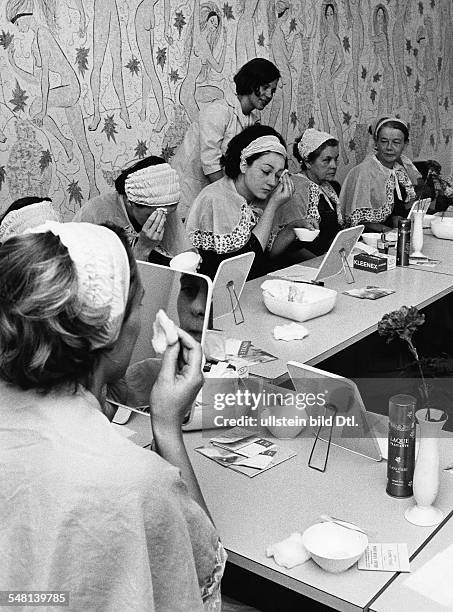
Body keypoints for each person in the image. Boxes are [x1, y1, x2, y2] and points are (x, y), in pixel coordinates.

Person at [0, 221, 225, 610]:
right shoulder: (135, 483)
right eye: (137, 304)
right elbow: (201, 568)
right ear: (108, 328)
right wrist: (166, 425)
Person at [172, 58, 281, 219]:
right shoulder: (218, 111)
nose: (269, 95)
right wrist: (233, 200)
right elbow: (210, 164)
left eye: (273, 91)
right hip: (189, 192)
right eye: (265, 87)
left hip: (215, 195)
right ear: (251, 83)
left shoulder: (252, 122)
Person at [185, 125, 295, 280]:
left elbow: (267, 253)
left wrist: (292, 228)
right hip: (214, 294)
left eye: (278, 176)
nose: (272, 182)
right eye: (266, 171)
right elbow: (246, 266)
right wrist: (272, 207)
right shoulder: (217, 198)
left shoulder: (255, 198)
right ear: (244, 164)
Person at [73, 156, 192, 264]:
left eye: (170, 213)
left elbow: (183, 254)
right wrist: (143, 247)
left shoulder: (163, 208)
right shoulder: (94, 216)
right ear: (129, 202)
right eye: (153, 215)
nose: (162, 221)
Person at [340, 117, 421, 232]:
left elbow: (398, 210)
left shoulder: (399, 170)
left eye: (396, 142)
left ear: (405, 144)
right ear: (376, 142)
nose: (389, 147)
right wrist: (389, 231)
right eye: (384, 141)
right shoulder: (363, 172)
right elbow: (358, 221)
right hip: (368, 239)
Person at [278, 128, 343, 259]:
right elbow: (292, 247)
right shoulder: (295, 189)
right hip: (304, 264)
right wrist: (320, 263)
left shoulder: (329, 188)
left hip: (329, 257)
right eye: (327, 160)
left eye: (336, 159)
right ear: (308, 162)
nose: (334, 165)